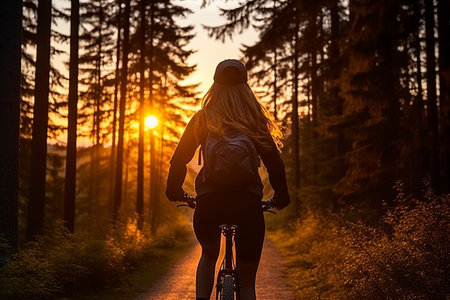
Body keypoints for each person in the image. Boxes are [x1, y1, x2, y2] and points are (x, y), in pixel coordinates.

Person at [165, 59, 290, 300]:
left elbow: (179, 159)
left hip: (209, 202)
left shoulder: (202, 118)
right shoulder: (254, 120)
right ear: (246, 86)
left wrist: (174, 191)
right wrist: (281, 198)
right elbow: (275, 164)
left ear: (215, 85)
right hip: (247, 203)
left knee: (209, 255)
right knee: (248, 283)